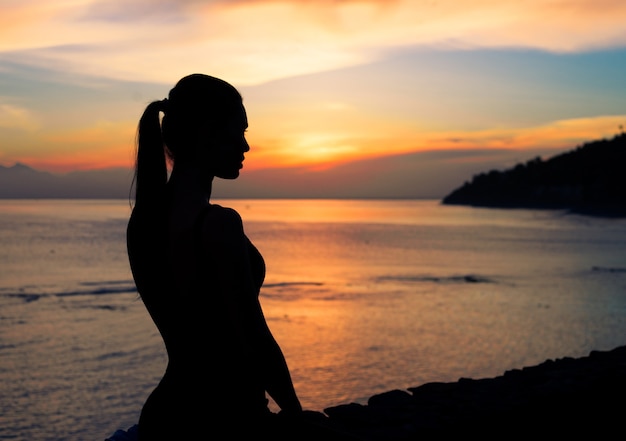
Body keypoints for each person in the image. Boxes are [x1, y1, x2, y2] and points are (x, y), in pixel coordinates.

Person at [126, 74, 362, 440]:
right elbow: (254, 338)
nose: (246, 145)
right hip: (225, 419)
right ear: (207, 132)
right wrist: (295, 414)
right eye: (240, 131)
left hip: (167, 416)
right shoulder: (217, 225)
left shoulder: (142, 223)